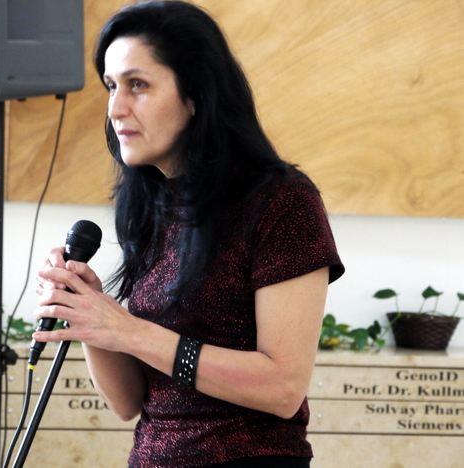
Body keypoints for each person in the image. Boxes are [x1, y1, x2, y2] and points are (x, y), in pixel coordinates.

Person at [33, 2, 344, 467]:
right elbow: (127, 403)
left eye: (137, 85)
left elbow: (282, 388)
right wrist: (92, 317)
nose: (115, 109)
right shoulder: (154, 205)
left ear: (196, 93)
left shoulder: (281, 200)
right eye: (111, 86)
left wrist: (131, 331)